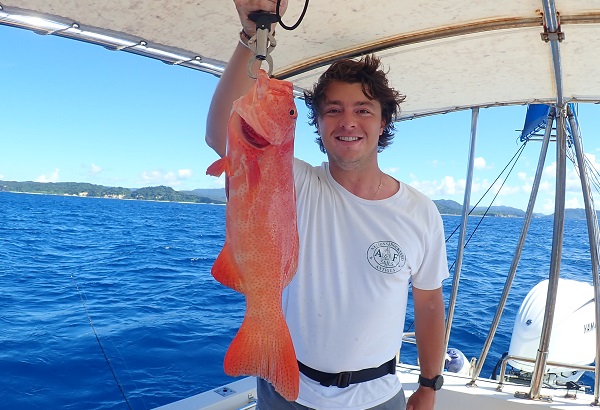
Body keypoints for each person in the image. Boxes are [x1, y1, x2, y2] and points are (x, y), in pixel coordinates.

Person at [206, 1, 449, 409]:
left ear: (383, 122)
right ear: (318, 125)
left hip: (379, 396)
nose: (347, 121)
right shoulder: (293, 182)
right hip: (287, 390)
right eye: (333, 111)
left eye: (363, 110)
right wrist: (252, 37)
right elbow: (220, 135)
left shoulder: (421, 212)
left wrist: (429, 384)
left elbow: (428, 304)